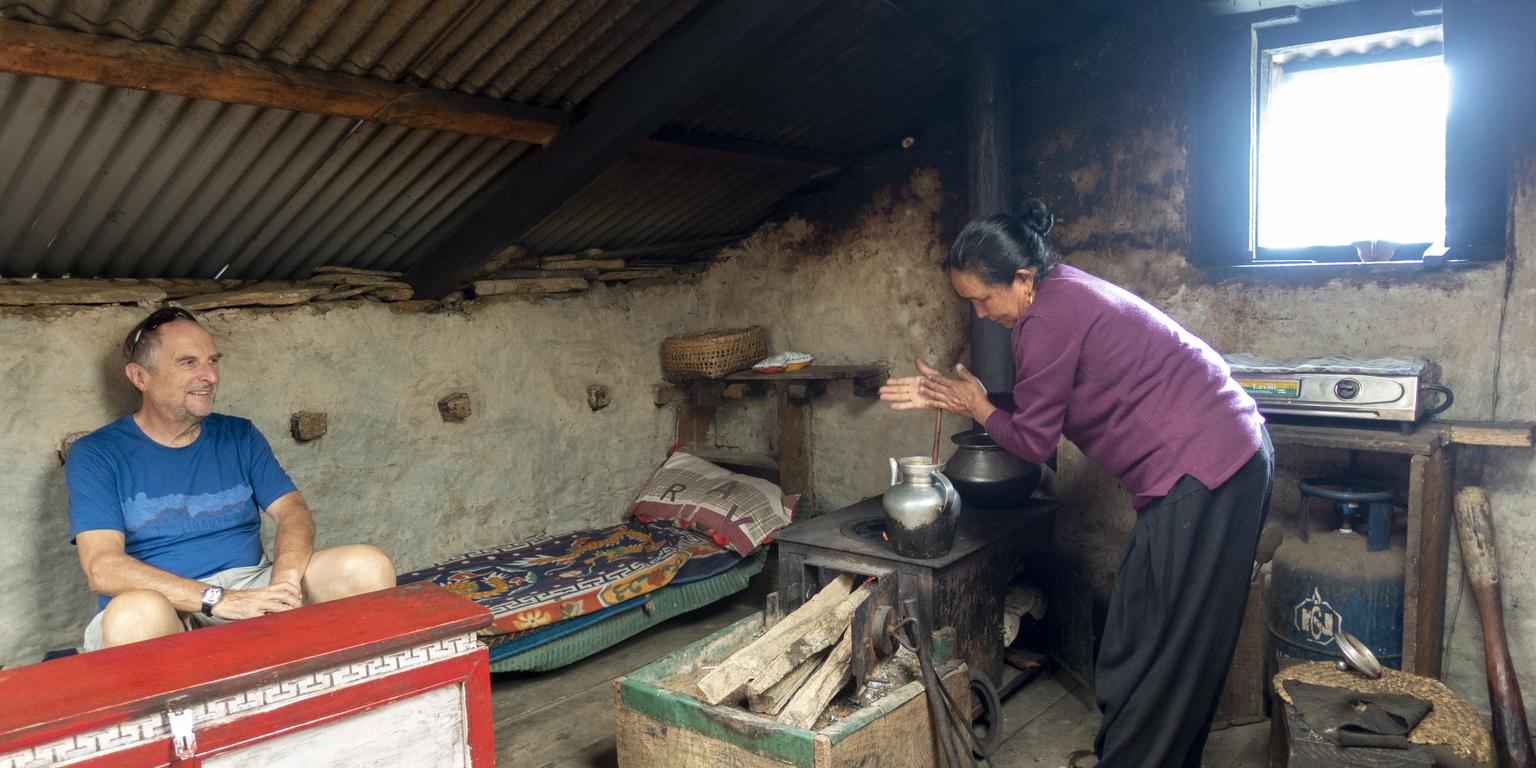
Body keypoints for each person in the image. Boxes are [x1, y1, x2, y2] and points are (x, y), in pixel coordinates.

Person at [880, 201, 1272, 768]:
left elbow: (1032, 441)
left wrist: (979, 406)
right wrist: (970, 400)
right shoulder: (1059, 293)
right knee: (1141, 632)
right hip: (1212, 460)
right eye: (970, 302)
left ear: (1022, 279)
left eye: (983, 299)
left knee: (1170, 642)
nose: (981, 314)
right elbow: (1041, 400)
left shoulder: (1047, 318)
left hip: (1208, 467)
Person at [66, 307, 396, 651]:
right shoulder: (97, 454)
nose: (210, 376)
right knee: (134, 615)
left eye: (213, 361)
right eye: (188, 363)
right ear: (140, 377)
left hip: (251, 584)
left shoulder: (239, 435)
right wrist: (218, 599)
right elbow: (103, 568)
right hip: (164, 603)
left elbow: (293, 511)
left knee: (366, 566)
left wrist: (284, 583)